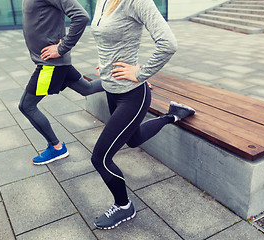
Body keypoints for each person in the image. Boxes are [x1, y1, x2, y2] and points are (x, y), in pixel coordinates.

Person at [90, 0, 195, 230]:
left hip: (132, 95)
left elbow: (168, 43)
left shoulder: (135, 1)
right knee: (134, 138)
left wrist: (141, 73)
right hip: (112, 90)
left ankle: (124, 206)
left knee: (100, 158)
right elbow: (107, 40)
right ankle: (173, 115)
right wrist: (105, 65)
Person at [19, 0, 104, 165]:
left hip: (50, 66)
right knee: (87, 88)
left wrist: (61, 48)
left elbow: (81, 16)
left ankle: (57, 148)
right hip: (54, 64)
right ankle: (125, 82)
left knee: (26, 106)